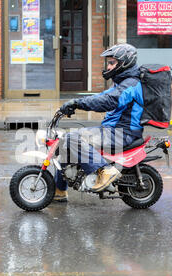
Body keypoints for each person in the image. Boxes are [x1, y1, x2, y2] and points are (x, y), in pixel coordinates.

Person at [54, 43, 145, 202]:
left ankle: (104, 171)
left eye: (112, 63)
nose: (108, 66)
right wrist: (76, 103)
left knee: (72, 138)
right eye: (108, 63)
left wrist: (77, 103)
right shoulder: (122, 82)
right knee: (65, 142)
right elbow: (101, 96)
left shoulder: (131, 84)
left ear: (124, 63)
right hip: (112, 130)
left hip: (123, 133)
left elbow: (108, 101)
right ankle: (59, 190)